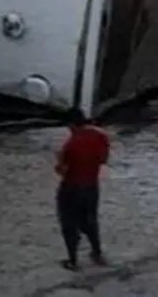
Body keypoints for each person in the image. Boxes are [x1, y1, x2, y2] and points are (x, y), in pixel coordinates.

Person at [54, 108, 109, 271]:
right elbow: (103, 160)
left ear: (71, 125)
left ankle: (73, 261)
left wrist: (58, 159)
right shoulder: (101, 136)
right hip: (92, 187)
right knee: (90, 220)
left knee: (69, 224)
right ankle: (97, 254)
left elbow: (61, 170)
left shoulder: (71, 144)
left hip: (71, 188)